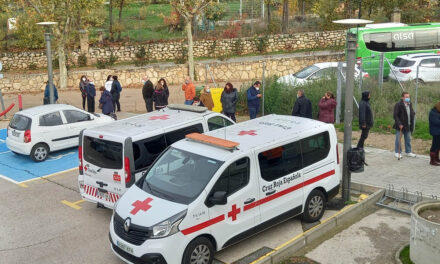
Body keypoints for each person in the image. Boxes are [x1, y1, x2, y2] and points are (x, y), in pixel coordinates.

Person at [393, 92, 416, 159]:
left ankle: (408, 152)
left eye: (408, 97)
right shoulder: (398, 104)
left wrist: (413, 114)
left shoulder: (410, 104)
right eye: (406, 97)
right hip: (401, 125)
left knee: (408, 139)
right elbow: (395, 115)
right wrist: (399, 123)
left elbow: (411, 112)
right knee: (398, 139)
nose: (408, 98)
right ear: (402, 97)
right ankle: (397, 152)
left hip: (408, 125)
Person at [429, 101, 440, 166]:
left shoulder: (438, 112)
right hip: (435, 132)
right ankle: (432, 161)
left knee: (438, 146)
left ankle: (437, 158)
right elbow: (436, 122)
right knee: (434, 146)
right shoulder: (433, 113)